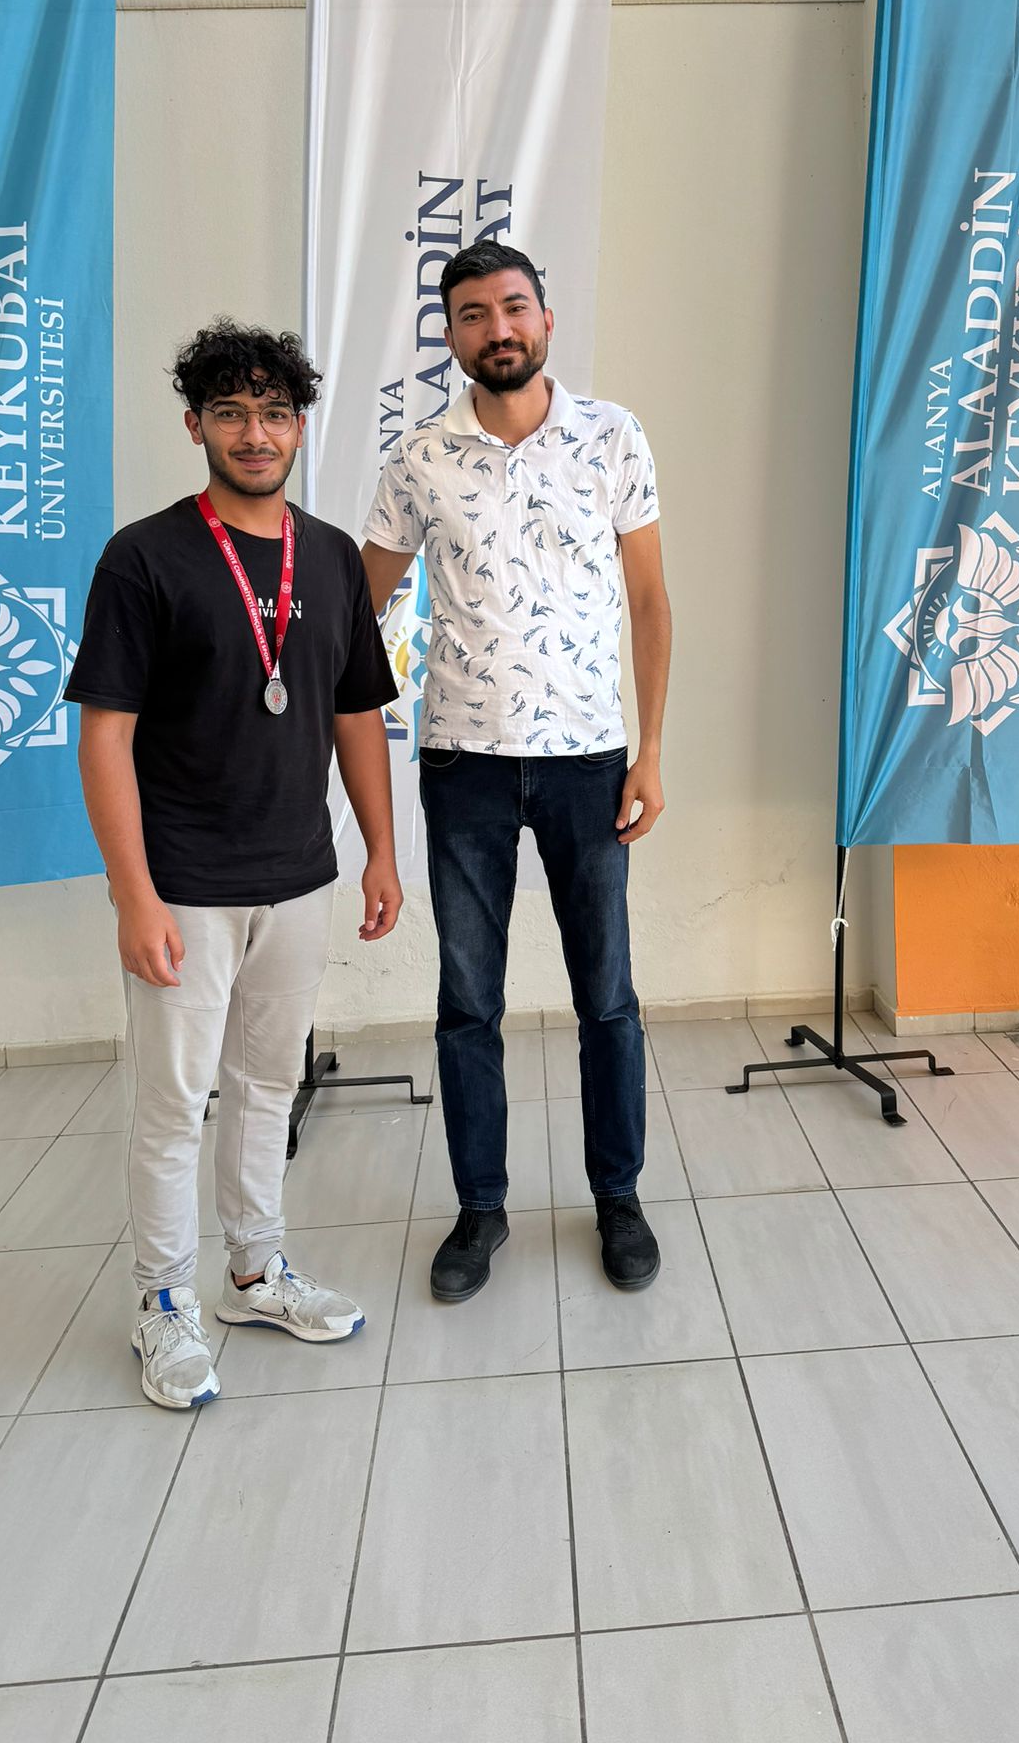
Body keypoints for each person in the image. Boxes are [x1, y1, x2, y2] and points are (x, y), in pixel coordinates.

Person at [68, 322, 403, 1410]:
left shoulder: (333, 555)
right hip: (183, 884)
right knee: (173, 1105)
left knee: (268, 1085)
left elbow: (356, 711)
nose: (254, 434)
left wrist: (380, 850)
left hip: (298, 874)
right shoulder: (145, 557)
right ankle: (162, 1301)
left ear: (300, 426)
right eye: (230, 413)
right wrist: (134, 894)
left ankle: (254, 1274)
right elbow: (105, 734)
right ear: (195, 426)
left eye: (273, 413)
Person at [363, 240, 672, 1302]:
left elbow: (650, 603)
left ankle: (618, 1195)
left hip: (591, 761)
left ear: (545, 318)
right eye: (472, 314)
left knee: (607, 997)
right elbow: (362, 603)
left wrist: (651, 751)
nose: (497, 328)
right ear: (450, 336)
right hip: (464, 764)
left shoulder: (612, 435)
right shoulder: (419, 458)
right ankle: (480, 1208)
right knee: (467, 1003)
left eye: (513, 307)